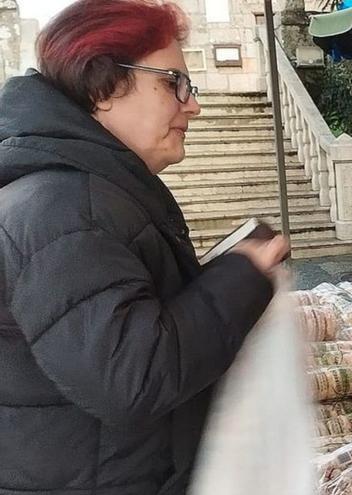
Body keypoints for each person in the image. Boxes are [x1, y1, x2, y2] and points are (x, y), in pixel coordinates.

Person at [0, 1, 289, 494]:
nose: (192, 104)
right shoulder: (64, 207)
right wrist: (242, 275)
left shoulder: (89, 192)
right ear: (106, 86)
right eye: (173, 82)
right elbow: (130, 376)